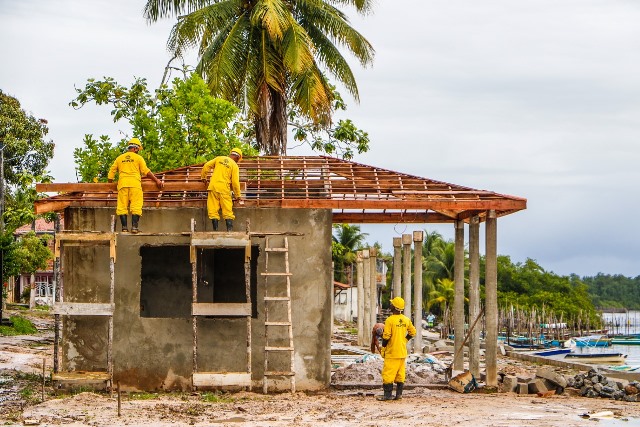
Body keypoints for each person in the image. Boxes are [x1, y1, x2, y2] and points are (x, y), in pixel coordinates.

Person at [108, 138, 164, 233]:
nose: (138, 151)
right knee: (136, 205)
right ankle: (134, 227)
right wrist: (157, 180)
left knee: (122, 206)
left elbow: (111, 172)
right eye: (138, 149)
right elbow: (146, 171)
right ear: (135, 148)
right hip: (135, 185)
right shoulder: (138, 158)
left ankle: (124, 228)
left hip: (123, 185)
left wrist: (109, 185)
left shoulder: (119, 158)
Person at [377, 296, 416, 401]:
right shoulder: (406, 320)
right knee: (400, 374)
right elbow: (413, 332)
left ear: (394, 307)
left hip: (392, 352)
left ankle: (387, 395)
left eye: (391, 304)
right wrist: (405, 340)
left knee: (388, 374)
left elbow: (386, 337)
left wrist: (383, 347)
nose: (390, 305)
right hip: (402, 352)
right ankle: (399, 395)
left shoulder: (390, 320)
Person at [200, 148, 243, 231]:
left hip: (213, 187)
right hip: (224, 189)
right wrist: (238, 195)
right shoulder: (234, 165)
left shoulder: (219, 158)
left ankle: (215, 231)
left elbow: (206, 166)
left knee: (213, 210)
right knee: (227, 211)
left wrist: (203, 177)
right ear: (238, 158)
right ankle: (229, 231)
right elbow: (235, 182)